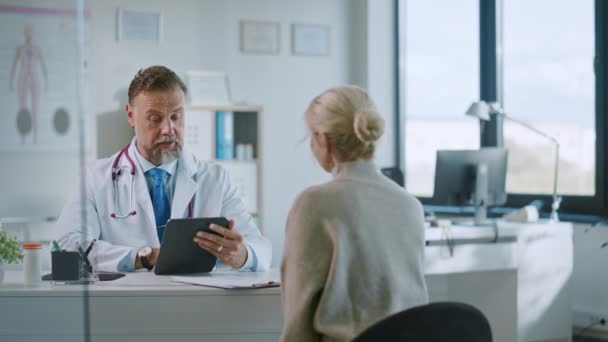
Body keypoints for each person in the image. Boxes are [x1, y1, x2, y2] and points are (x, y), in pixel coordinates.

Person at [55, 65, 271, 272]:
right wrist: (143, 257)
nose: (169, 129)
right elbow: (66, 246)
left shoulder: (214, 178)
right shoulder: (96, 178)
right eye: (155, 119)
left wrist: (242, 255)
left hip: (195, 303)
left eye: (176, 116)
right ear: (130, 115)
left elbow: (262, 249)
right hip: (124, 303)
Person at [280, 85, 428, 341]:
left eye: (311, 138)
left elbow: (298, 323)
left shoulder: (314, 203)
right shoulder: (410, 205)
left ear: (323, 140)